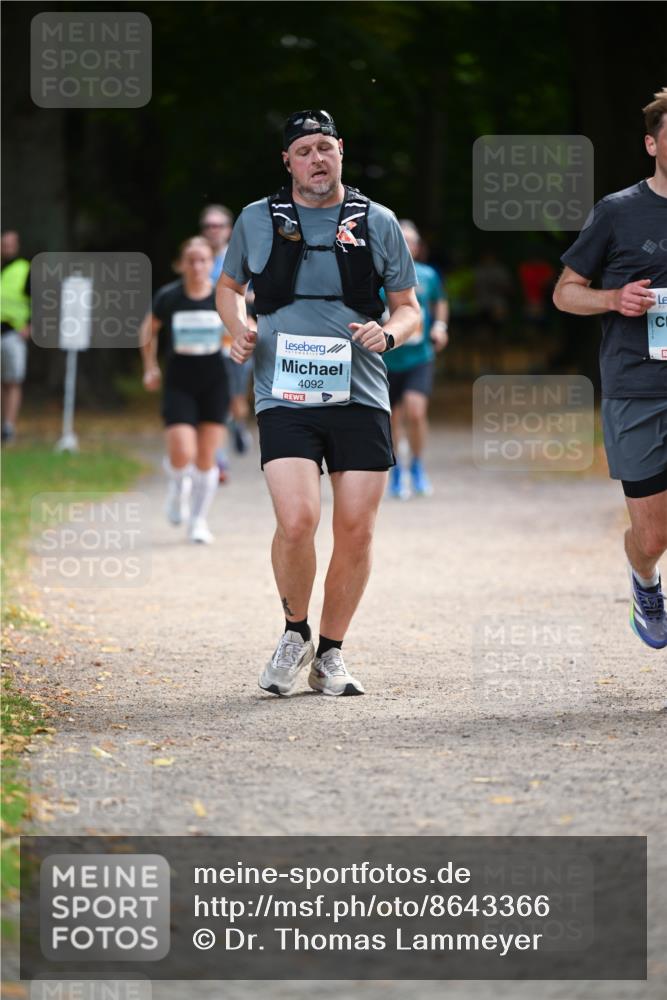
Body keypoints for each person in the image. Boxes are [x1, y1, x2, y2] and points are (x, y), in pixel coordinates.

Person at [218, 109, 420, 696]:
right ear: (288, 160)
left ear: (340, 152)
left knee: (356, 529)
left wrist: (393, 333)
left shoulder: (376, 220)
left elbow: (408, 306)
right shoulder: (257, 219)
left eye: (325, 148)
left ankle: (330, 654)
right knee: (298, 518)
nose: (315, 159)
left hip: (360, 391)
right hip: (283, 391)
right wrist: (238, 329)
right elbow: (229, 290)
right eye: (304, 150)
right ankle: (293, 632)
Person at [553, 87, 667, 650]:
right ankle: (645, 580)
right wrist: (614, 298)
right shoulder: (619, 211)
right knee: (653, 533)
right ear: (652, 143)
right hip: (638, 388)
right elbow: (565, 293)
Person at [140, 236, 229, 544]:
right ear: (182, 264)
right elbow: (147, 331)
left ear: (211, 263)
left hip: (214, 383)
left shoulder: (222, 296)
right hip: (179, 382)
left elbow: (246, 327)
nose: (197, 266)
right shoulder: (169, 297)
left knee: (206, 458)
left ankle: (198, 521)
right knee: (182, 452)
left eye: (203, 260)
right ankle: (178, 489)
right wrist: (150, 367)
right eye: (191, 260)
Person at [384, 220, 448, 499]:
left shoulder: (428, 275)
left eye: (411, 240)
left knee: (416, 411)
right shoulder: (377, 275)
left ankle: (418, 465)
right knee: (392, 417)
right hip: (386, 360)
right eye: (402, 239)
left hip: (419, 356)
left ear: (418, 246)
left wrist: (439, 327)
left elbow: (440, 302)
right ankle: (397, 471)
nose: (407, 245)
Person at [201, 203, 253, 458]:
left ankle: (238, 425)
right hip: (204, 340)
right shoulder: (197, 258)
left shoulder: (240, 256)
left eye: (218, 225)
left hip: (233, 336)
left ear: (228, 230)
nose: (213, 230)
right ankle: (217, 457)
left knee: (235, 396)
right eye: (208, 226)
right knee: (210, 395)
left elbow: (255, 294)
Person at [1, 231, 31, 443]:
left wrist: (31, 325)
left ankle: (9, 427)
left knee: (13, 380)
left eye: (11, 243)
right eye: (4, 243)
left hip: (13, 332)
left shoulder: (24, 269)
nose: (7, 246)